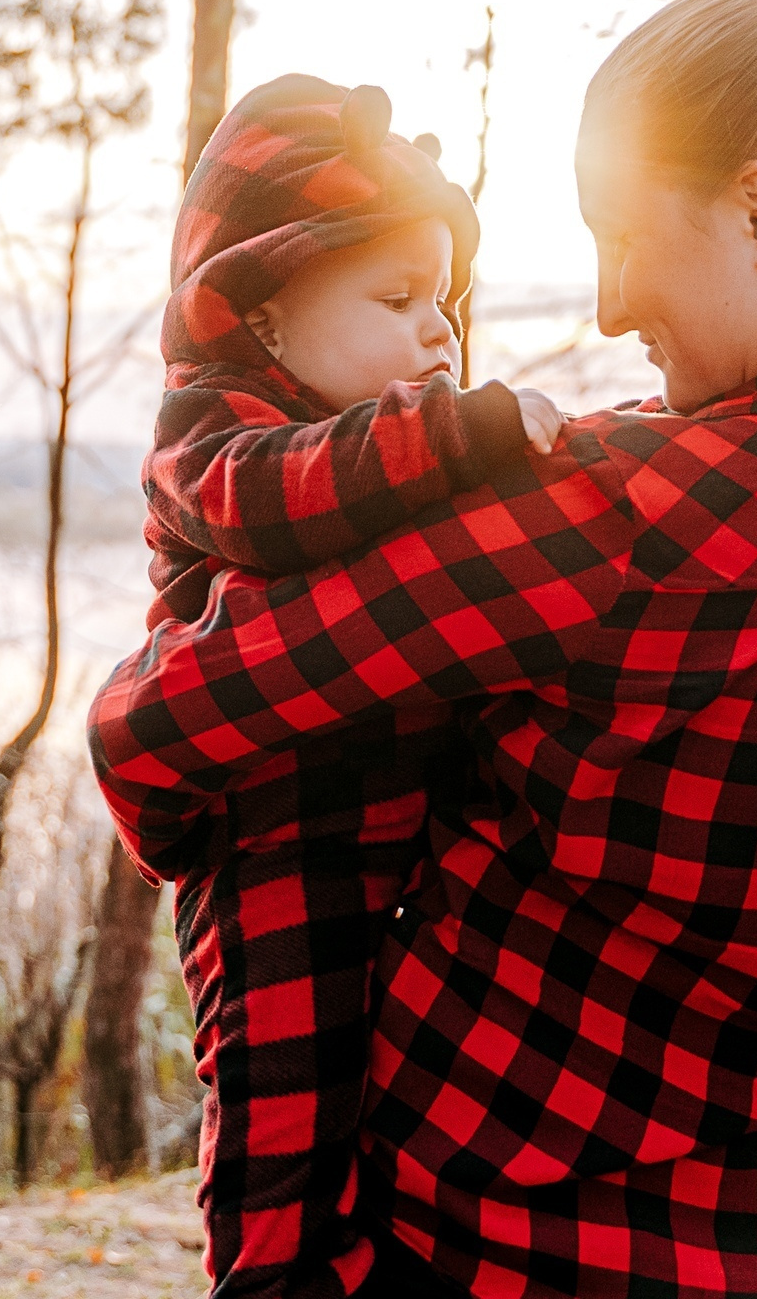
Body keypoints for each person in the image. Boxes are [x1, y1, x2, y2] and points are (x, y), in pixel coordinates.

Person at [94, 0, 757, 1297]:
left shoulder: (601, 518)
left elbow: (157, 730)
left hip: (481, 1253)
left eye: (622, 235)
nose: (608, 304)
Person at [136, 72, 562, 1299]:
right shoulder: (206, 430)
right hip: (277, 852)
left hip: (411, 841)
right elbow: (273, 500)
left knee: (395, 1123)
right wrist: (455, 434)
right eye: (397, 299)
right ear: (263, 313)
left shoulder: (390, 448)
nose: (440, 333)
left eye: (447, 302)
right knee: (283, 1133)